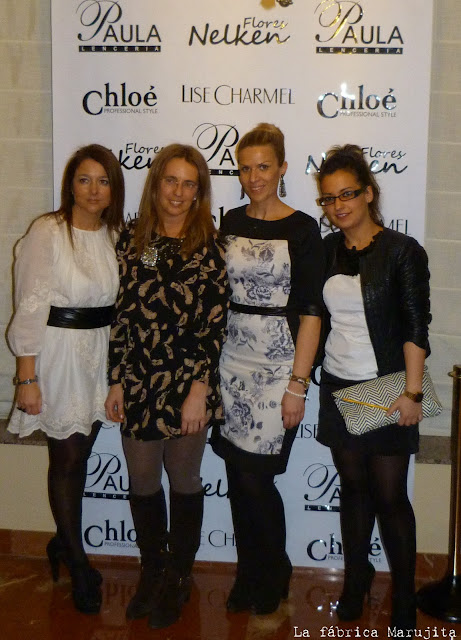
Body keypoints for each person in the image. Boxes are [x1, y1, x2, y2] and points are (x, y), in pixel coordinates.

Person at [105, 143, 229, 629]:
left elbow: (214, 324)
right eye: (171, 180)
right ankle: (152, 571)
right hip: (138, 381)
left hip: (187, 383)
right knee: (141, 480)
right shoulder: (137, 240)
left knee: (184, 479)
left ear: (200, 191)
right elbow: (124, 315)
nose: (178, 192)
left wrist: (199, 389)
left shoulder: (209, 245)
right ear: (156, 183)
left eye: (189, 183)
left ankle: (179, 575)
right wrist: (117, 380)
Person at [315, 144, 431, 637]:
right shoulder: (326, 250)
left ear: (368, 193)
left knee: (390, 496)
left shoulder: (403, 251)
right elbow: (313, 318)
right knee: (353, 488)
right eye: (328, 198)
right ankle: (356, 579)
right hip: (338, 383)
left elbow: (416, 327)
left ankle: (403, 595)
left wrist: (413, 393)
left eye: (347, 194)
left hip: (386, 386)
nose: (338, 206)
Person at [211, 123, 325, 615]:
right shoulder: (231, 219)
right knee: (237, 476)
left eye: (263, 167)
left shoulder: (303, 228)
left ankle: (275, 568)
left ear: (282, 168)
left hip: (279, 365)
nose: (254, 177)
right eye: (245, 168)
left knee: (257, 479)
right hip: (231, 361)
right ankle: (247, 571)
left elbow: (312, 311)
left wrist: (298, 385)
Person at [7, 144, 125, 614]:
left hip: (99, 356)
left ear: (114, 188)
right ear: (70, 185)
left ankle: (62, 542)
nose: (94, 190)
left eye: (103, 181)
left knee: (82, 456)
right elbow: (30, 303)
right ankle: (78, 562)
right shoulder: (48, 231)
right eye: (84, 179)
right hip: (58, 357)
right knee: (67, 457)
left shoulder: (116, 235)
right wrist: (26, 378)